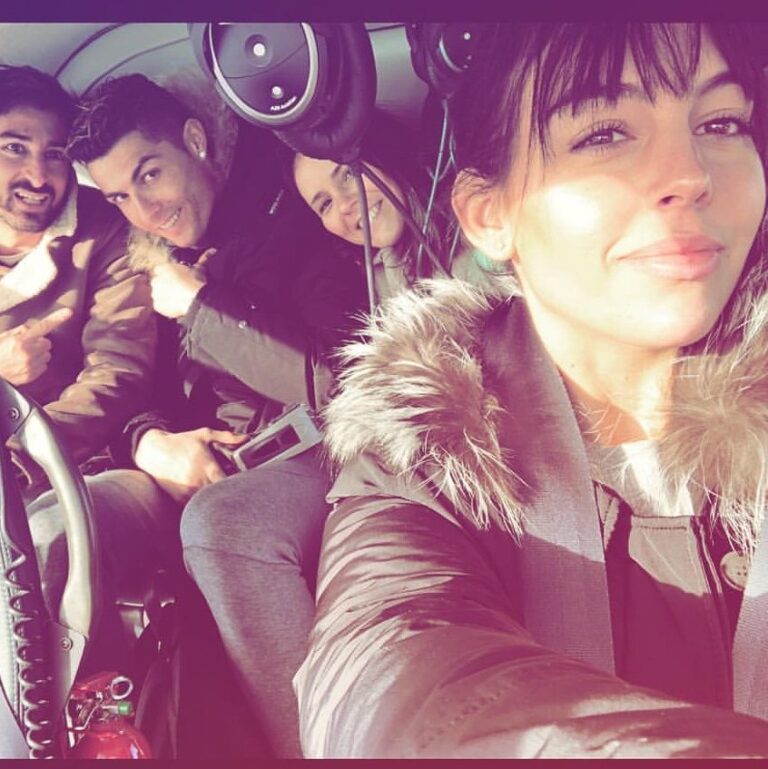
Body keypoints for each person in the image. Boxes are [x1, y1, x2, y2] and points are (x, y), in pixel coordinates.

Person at [295, 23, 768, 757]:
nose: (691, 172)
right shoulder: (424, 463)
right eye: (604, 133)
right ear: (490, 216)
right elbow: (382, 678)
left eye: (721, 123)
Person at [67, 73, 367, 757]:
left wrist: (200, 306)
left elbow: (336, 381)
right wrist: (150, 443)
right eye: (119, 197)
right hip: (190, 469)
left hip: (307, 454)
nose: (144, 209)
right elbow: (132, 390)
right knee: (65, 524)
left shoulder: (293, 218)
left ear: (195, 141)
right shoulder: (148, 262)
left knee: (218, 524)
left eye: (150, 175)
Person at [0, 64, 161, 666]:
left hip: (86, 463)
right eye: (14, 148)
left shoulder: (105, 231)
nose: (37, 176)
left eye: (56, 154)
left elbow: (117, 370)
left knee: (43, 543)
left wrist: (24, 460)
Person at [292, 110, 497, 302]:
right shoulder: (377, 279)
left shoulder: (480, 219)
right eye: (325, 204)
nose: (344, 205)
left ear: (383, 152)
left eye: (348, 175)